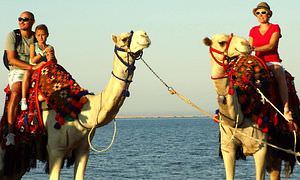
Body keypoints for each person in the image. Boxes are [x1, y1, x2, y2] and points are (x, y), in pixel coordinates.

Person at [4, 11, 45, 146]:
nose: (21, 21)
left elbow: (43, 52)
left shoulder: (36, 37)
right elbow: (11, 59)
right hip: (17, 70)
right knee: (16, 90)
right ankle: (10, 132)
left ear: (32, 22)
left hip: (34, 70)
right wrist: (31, 67)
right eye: (20, 19)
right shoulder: (12, 36)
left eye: (25, 19)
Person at [249, 2, 293, 121]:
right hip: (258, 61)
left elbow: (271, 46)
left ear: (269, 14)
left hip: (272, 61)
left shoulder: (275, 27)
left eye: (263, 12)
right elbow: (249, 46)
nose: (260, 15)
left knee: (280, 74)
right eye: (258, 13)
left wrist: (253, 48)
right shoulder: (253, 30)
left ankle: (286, 108)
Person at [20, 24, 55, 111]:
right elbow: (32, 60)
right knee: (27, 73)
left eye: (43, 35)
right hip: (35, 67)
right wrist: (42, 53)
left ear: (47, 35)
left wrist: (51, 57)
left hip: (46, 68)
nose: (41, 37)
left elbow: (54, 62)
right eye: (38, 35)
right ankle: (23, 99)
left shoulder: (50, 47)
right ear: (35, 36)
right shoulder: (33, 46)